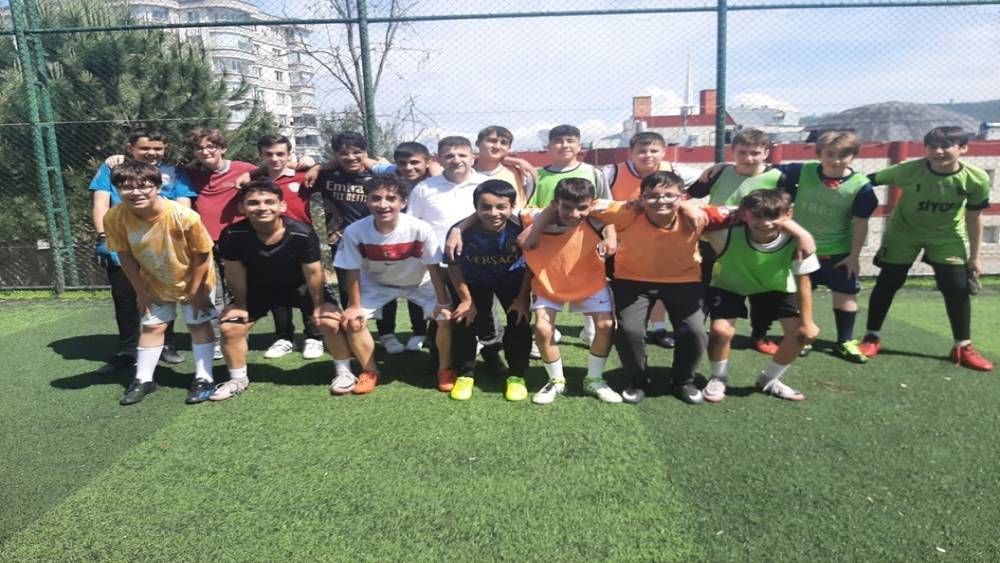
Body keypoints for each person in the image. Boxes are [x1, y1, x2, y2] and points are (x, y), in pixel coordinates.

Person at [859, 126, 993, 371]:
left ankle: (962, 347)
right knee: (888, 282)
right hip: (903, 234)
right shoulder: (907, 170)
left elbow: (975, 218)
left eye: (946, 146)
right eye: (931, 146)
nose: (937, 152)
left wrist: (975, 257)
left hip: (946, 237)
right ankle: (871, 337)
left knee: (957, 288)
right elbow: (865, 181)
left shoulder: (977, 178)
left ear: (963, 148)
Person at [210, 179, 356, 400]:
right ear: (242, 208)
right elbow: (234, 272)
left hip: (300, 286)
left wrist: (319, 304)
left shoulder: (302, 233)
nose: (262, 207)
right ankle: (237, 379)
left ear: (282, 206)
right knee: (231, 327)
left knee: (330, 321)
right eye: (253, 203)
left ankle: (344, 372)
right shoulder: (232, 234)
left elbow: (313, 273)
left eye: (269, 202)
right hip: (259, 289)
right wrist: (239, 304)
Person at [594, 171, 730, 404]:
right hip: (633, 280)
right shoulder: (627, 212)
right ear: (641, 198)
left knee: (694, 331)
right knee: (629, 331)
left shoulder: (697, 215)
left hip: (683, 281)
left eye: (669, 195)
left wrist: (687, 206)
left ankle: (683, 380)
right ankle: (638, 380)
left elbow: (748, 211)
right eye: (653, 196)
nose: (661, 201)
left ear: (682, 197)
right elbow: (588, 203)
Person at [102, 161, 217, 405]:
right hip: (155, 280)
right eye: (126, 187)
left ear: (157, 186)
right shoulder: (114, 217)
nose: (135, 192)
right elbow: (124, 254)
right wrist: (140, 291)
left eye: (143, 186)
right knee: (152, 327)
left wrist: (196, 291)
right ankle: (144, 379)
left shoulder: (183, 215)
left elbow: (202, 253)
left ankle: (204, 378)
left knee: (197, 324)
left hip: (194, 278)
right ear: (117, 190)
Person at [333, 174, 456, 395]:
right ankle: (369, 371)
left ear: (403, 202)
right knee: (353, 321)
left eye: (391, 198)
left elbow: (433, 267)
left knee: (445, 318)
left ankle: (445, 369)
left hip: (419, 282)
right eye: (376, 198)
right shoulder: (355, 231)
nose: (383, 205)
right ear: (367, 201)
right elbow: (351, 270)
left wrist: (442, 302)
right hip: (377, 283)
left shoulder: (420, 228)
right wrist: (354, 305)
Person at [311, 133, 428, 355]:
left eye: (357, 152)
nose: (351, 157)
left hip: (380, 239)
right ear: (335, 155)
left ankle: (407, 332)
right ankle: (369, 333)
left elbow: (413, 169)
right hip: (343, 240)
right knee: (349, 290)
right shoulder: (326, 174)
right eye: (344, 153)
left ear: (366, 154)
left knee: (395, 282)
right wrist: (315, 166)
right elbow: (293, 171)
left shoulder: (378, 175)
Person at [91, 128, 196, 372]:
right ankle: (128, 349)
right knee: (125, 297)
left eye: (157, 148)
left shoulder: (176, 172)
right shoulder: (111, 169)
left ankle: (166, 344)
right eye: (145, 148)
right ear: (131, 148)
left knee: (164, 294)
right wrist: (103, 236)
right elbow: (101, 203)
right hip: (123, 242)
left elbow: (184, 205)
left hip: (162, 244)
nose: (151, 153)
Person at [770, 131, 878, 363]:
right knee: (798, 294)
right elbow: (765, 169)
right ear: (819, 154)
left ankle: (845, 341)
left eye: (843, 155)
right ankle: (802, 336)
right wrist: (722, 169)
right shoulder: (802, 171)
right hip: (799, 248)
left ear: (854, 156)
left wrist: (854, 256)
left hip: (838, 252)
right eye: (830, 154)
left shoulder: (862, 186)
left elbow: (861, 223)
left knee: (846, 294)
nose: (836, 160)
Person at [703, 189, 819, 403]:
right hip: (729, 284)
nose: (765, 223)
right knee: (720, 332)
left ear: (788, 214)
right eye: (757, 216)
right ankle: (718, 377)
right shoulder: (726, 233)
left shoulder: (796, 241)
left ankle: (769, 379)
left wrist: (807, 321)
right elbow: (692, 215)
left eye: (773, 216)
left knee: (800, 334)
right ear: (744, 214)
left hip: (774, 286)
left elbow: (804, 280)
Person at [516, 177, 620, 405]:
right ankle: (556, 381)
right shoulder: (536, 216)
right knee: (543, 329)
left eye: (582, 207)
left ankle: (594, 379)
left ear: (592, 204)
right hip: (548, 283)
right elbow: (524, 241)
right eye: (567, 207)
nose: (574, 214)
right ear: (556, 203)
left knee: (606, 325)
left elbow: (620, 214)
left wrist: (611, 236)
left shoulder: (597, 218)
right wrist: (545, 217)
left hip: (589, 280)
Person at [602, 131, 704, 349]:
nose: (647, 155)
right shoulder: (612, 172)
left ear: (664, 152)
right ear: (631, 153)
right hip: (623, 235)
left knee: (659, 275)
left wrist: (685, 204)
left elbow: (707, 180)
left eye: (654, 150)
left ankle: (658, 327)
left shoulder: (676, 171)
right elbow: (601, 202)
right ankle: (605, 326)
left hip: (662, 233)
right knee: (626, 284)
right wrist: (610, 234)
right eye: (641, 151)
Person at [408, 136, 502, 375]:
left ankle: (492, 354)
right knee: (442, 313)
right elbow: (413, 225)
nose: (456, 160)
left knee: (485, 313)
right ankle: (439, 358)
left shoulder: (486, 186)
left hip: (479, 263)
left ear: (473, 157)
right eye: (449, 156)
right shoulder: (424, 189)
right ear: (438, 159)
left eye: (462, 155)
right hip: (438, 265)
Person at [688, 128, 785, 355]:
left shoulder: (780, 178)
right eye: (742, 152)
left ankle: (759, 334)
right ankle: (696, 333)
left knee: (761, 291)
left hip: (756, 243)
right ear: (733, 151)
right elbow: (687, 194)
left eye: (755, 153)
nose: (748, 158)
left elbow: (785, 210)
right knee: (705, 288)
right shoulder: (718, 173)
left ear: (766, 153)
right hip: (713, 242)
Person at [524, 124, 615, 349]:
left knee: (586, 277)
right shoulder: (538, 176)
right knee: (545, 283)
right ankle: (545, 332)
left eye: (570, 140)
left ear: (579, 145)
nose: (564, 145)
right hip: (549, 242)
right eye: (558, 141)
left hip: (584, 239)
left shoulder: (594, 173)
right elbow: (529, 208)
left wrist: (610, 236)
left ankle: (590, 328)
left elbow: (606, 208)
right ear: (548, 146)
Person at [238, 134, 325, 361]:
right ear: (260, 155)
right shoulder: (255, 184)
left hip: (302, 243)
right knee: (276, 287)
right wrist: (252, 174)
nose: (275, 159)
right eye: (269, 154)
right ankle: (284, 337)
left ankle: (314, 336)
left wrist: (313, 164)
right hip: (269, 243)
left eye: (280, 154)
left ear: (289, 155)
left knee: (307, 287)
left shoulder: (303, 176)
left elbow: (328, 172)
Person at [446, 180, 533, 401]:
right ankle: (465, 373)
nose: (493, 213)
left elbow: (532, 264)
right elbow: (453, 266)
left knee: (520, 320)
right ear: (475, 207)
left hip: (512, 281)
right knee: (464, 320)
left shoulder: (522, 227)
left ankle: (517, 375)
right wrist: (466, 300)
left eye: (501, 207)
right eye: (485, 207)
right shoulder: (460, 231)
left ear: (512, 206)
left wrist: (522, 298)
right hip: (473, 282)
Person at [473, 125, 537, 206]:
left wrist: (520, 162)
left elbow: (534, 180)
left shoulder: (519, 172)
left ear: (509, 148)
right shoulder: (466, 173)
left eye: (504, 143)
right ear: (477, 143)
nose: (497, 146)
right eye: (492, 141)